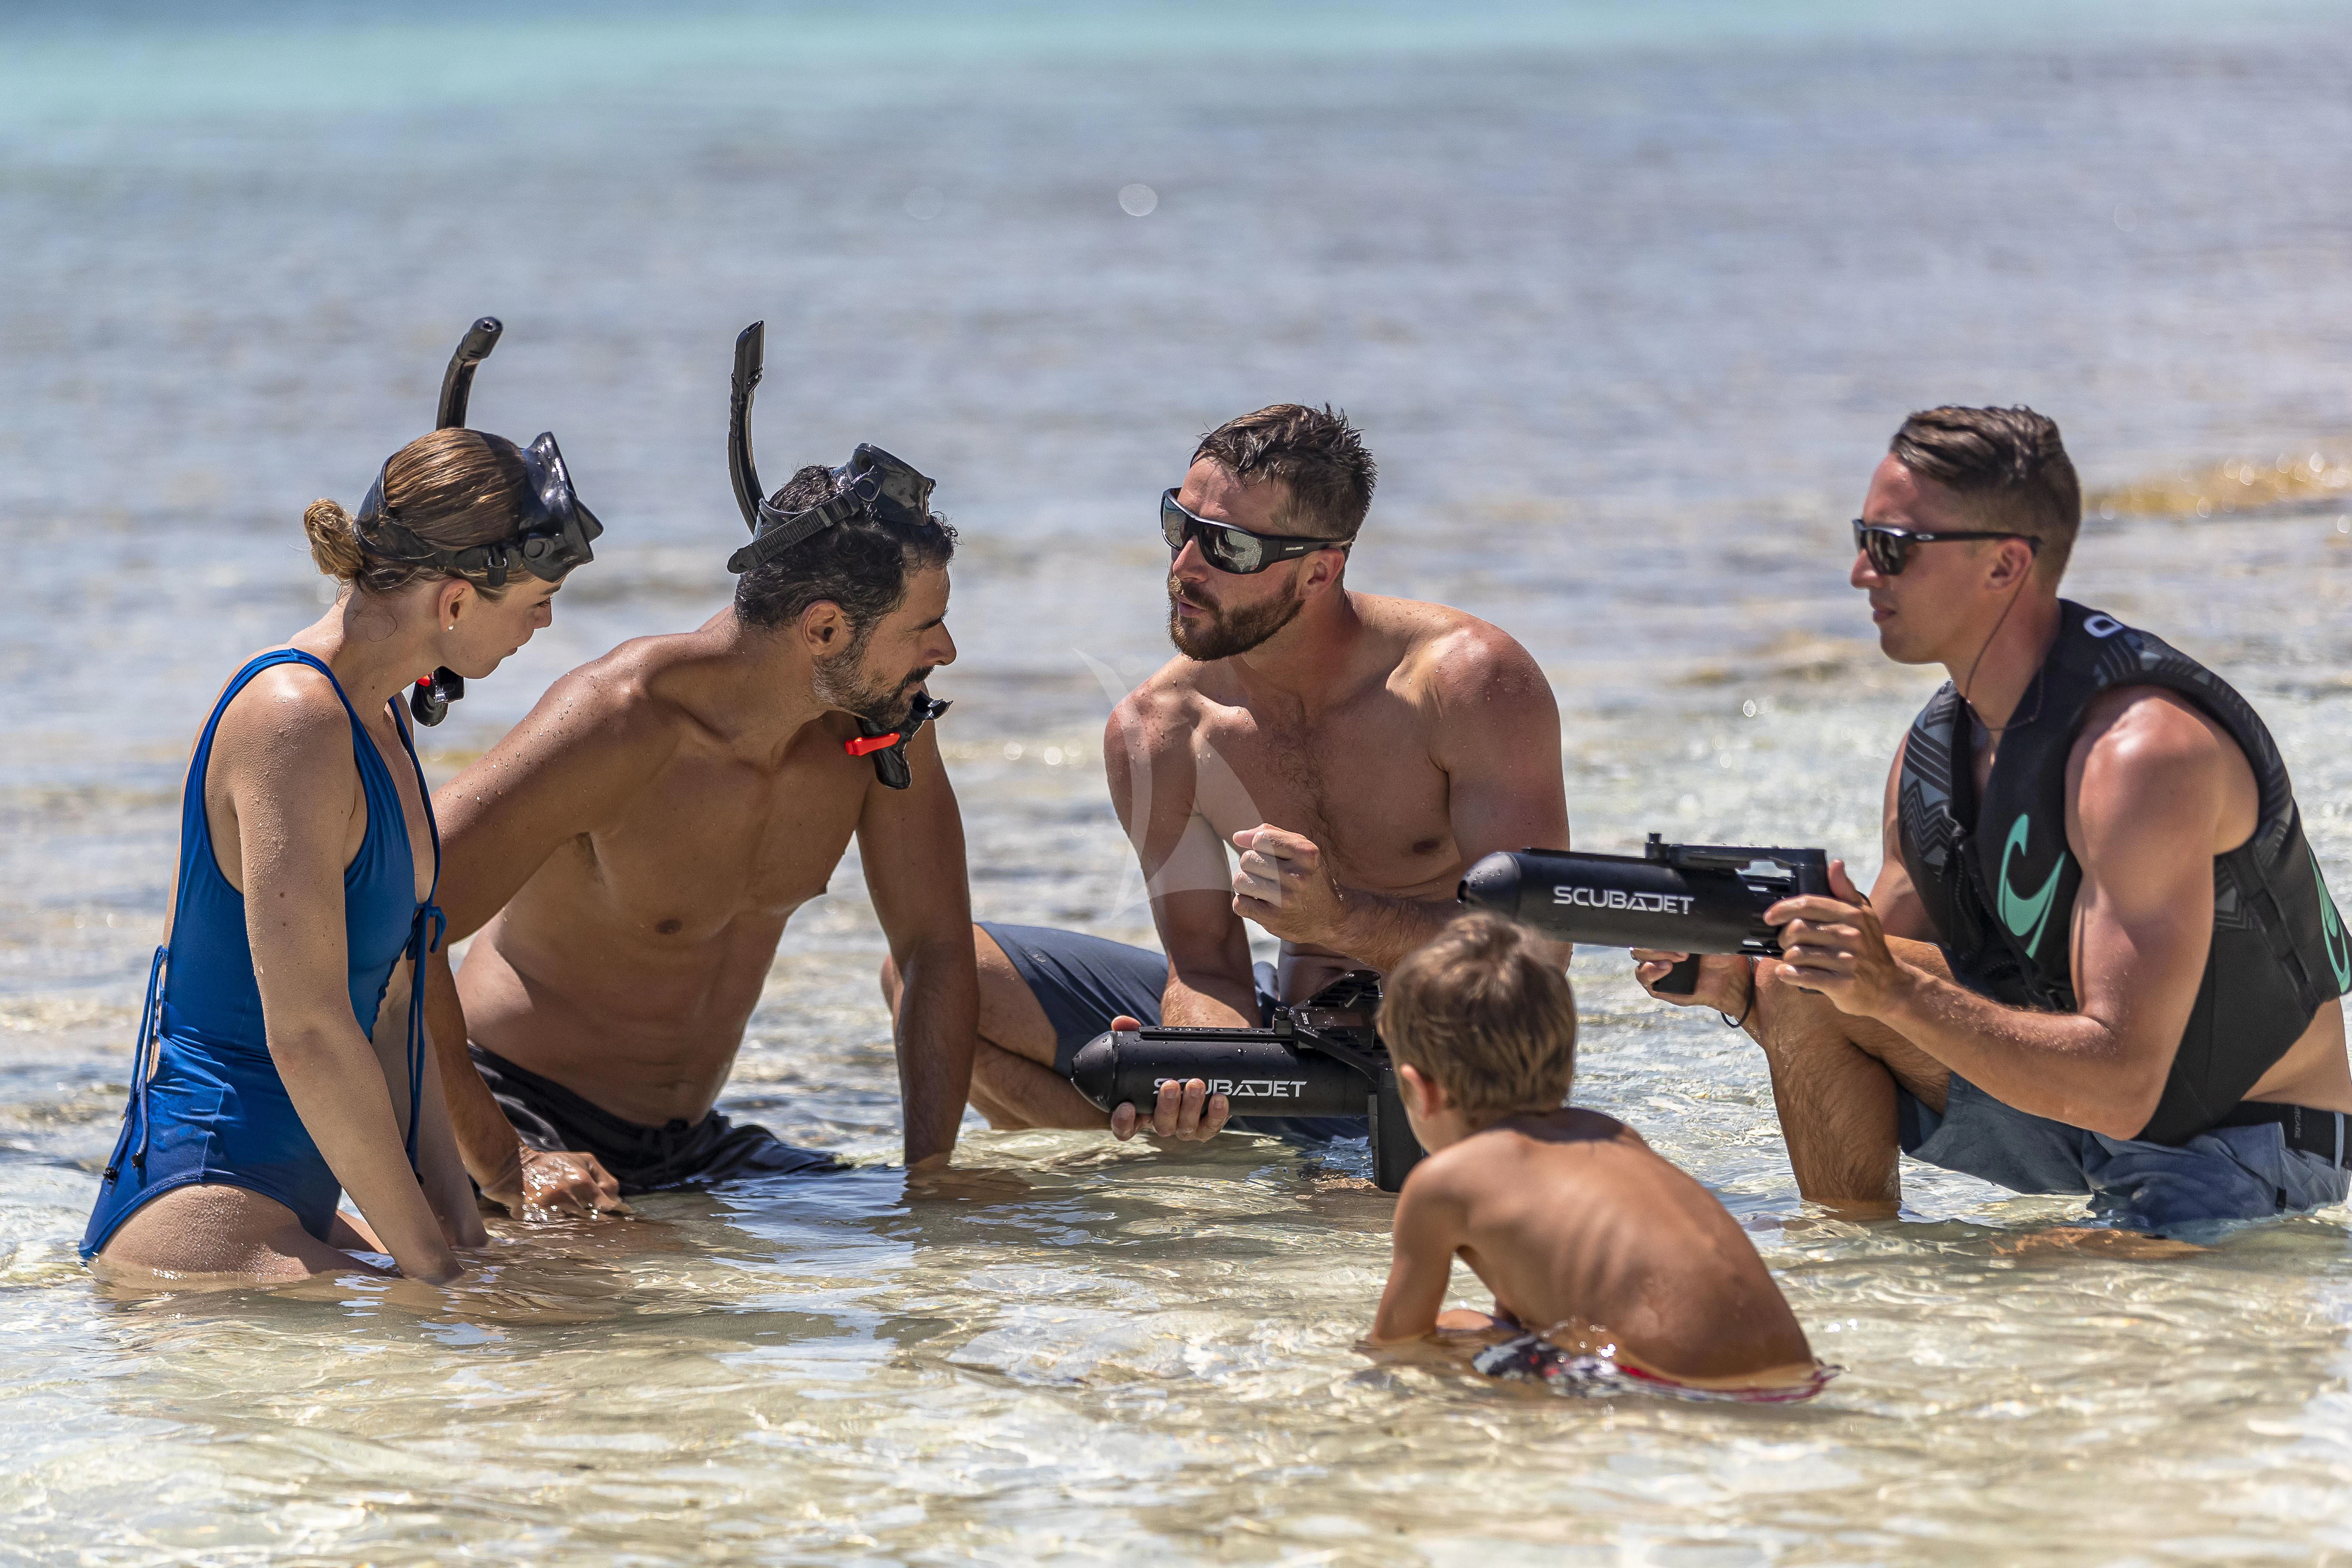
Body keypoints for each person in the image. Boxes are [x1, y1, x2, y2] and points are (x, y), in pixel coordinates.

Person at [1637, 405, 2352, 1233]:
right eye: (1861, 538)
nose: (1861, 574)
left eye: (1892, 546)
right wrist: (1743, 985)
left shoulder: (2141, 757)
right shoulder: (1934, 754)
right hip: (2079, 1112)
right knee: (1798, 981)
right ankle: (1853, 1261)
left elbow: (2123, 1084)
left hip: (2243, 1145)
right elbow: (1868, 994)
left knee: (2025, 1293)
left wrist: (1891, 986)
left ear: (2005, 564)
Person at [906, 404, 1569, 1146]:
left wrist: (1339, 920)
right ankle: (1200, 1155)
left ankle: (1261, 1168)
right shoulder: (1160, 728)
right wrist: (1194, 1062)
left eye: (1229, 548)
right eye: (1177, 525)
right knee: (932, 976)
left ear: (1320, 569)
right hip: (1290, 1044)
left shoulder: (1464, 683)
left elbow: (1536, 949)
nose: (1183, 566)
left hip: (1452, 1049)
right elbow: (1205, 962)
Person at [83, 402, 600, 1284]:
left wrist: (461, 1244)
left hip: (300, 1208)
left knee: (566, 1299)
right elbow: (311, 1034)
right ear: (455, 600)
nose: (545, 627)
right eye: (539, 603)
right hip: (206, 1225)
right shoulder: (293, 722)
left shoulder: (382, 718)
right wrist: (433, 1275)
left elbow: (398, 1012)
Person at [422, 444, 978, 1204]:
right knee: (636, 1293)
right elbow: (388, 922)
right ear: (823, 630)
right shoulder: (617, 723)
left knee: (995, 1223)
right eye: (926, 626)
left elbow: (935, 948)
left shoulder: (874, 729)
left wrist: (929, 1184)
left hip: (693, 1143)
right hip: (516, 1111)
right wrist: (502, 1159)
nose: (946, 650)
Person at [1366, 913, 1828, 1400]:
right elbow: (1539, 1302)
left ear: (1419, 1091)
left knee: (1456, 1324)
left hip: (1677, 1392)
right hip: (1797, 1378)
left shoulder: (1443, 1184)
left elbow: (1398, 1343)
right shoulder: (1610, 1134)